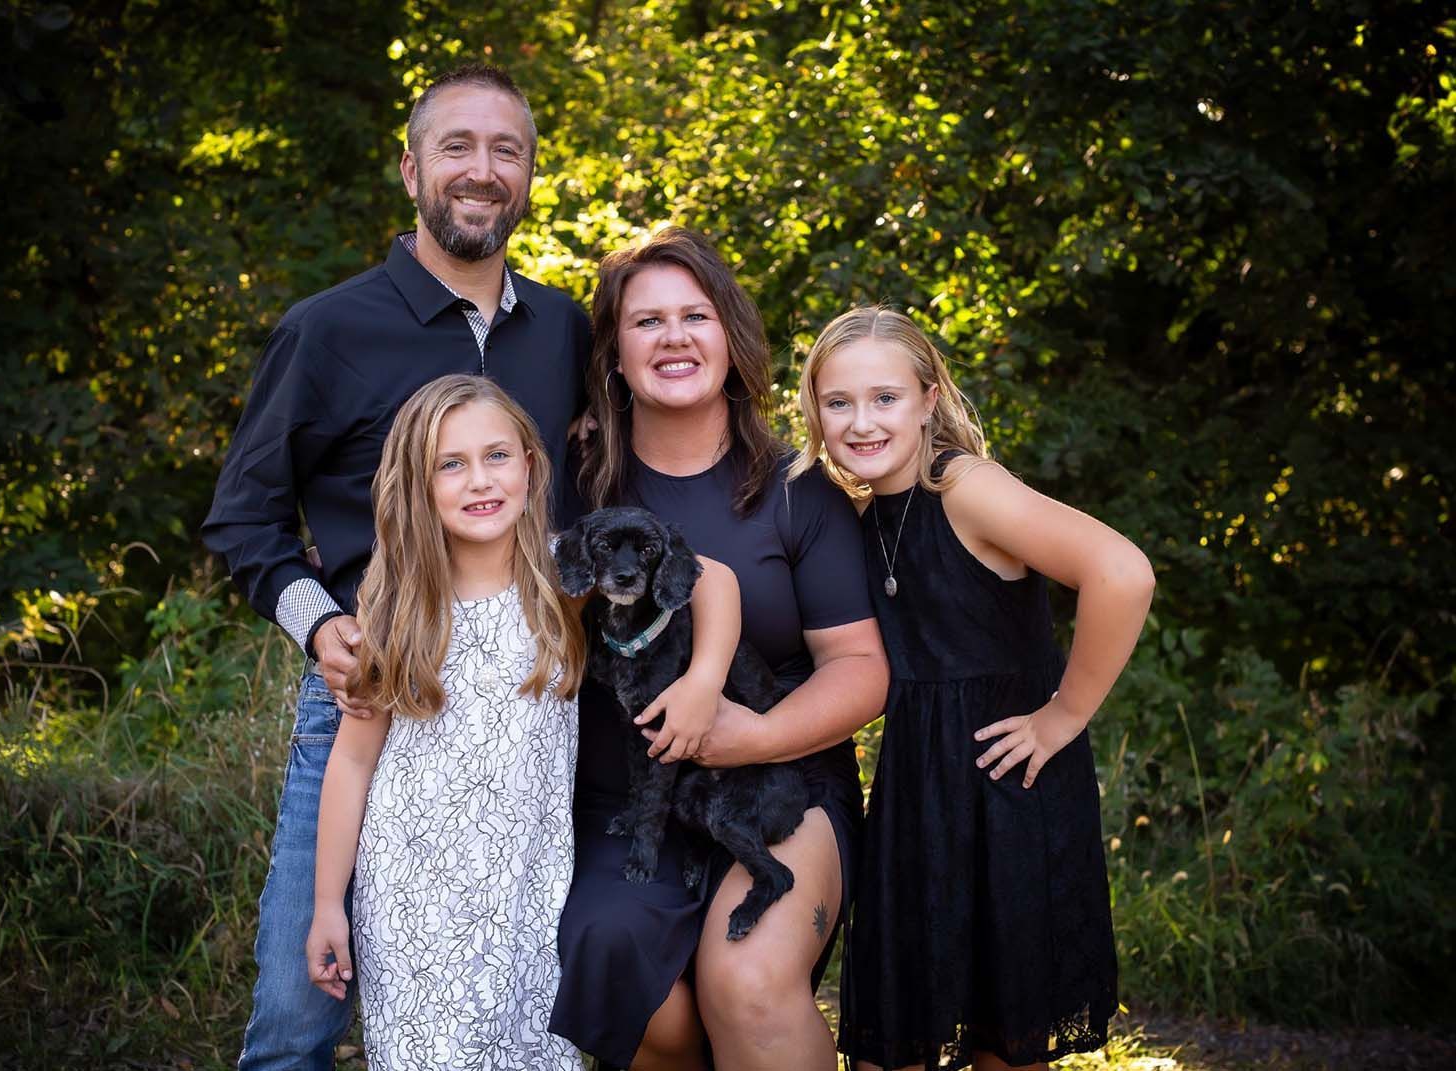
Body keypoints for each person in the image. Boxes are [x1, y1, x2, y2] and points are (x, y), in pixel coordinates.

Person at [202, 64, 595, 1069]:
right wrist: (320, 627)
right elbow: (242, 517)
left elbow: (586, 498)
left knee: (517, 998)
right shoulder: (329, 329)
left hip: (523, 703)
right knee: (301, 1012)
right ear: (412, 166)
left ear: (530, 175)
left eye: (505, 150)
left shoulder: (562, 329)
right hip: (375, 689)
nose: (481, 169)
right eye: (456, 146)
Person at [551, 227, 890, 1071]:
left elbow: (862, 669)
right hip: (627, 803)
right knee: (633, 980)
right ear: (615, 355)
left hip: (780, 785)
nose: (673, 337)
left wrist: (753, 735)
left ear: (731, 341)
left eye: (695, 315)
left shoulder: (796, 491)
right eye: (647, 321)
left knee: (743, 980)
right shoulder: (578, 489)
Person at [791, 306, 1155, 1071]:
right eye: (838, 402)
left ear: (929, 398)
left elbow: (1121, 572)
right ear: (813, 410)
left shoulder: (965, 488)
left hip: (1010, 786)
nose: (861, 421)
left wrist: (1063, 716)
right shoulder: (857, 515)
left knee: (1006, 1038)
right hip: (916, 796)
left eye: (885, 397)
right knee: (896, 1039)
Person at [302, 375, 587, 1069]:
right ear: (417, 484)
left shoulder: (566, 583)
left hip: (532, 889)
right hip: (412, 900)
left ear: (530, 461)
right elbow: (352, 762)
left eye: (497, 455)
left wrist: (704, 684)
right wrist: (326, 905)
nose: (480, 479)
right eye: (450, 464)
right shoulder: (398, 606)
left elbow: (709, 578)